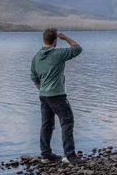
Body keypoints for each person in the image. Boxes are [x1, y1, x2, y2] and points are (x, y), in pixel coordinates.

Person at [30, 28, 86, 165]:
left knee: (46, 125)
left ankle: (46, 155)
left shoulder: (36, 57)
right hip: (57, 96)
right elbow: (77, 48)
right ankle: (69, 156)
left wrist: (43, 90)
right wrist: (65, 37)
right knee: (67, 122)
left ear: (44, 40)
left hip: (43, 95)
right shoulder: (58, 53)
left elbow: (34, 78)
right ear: (55, 40)